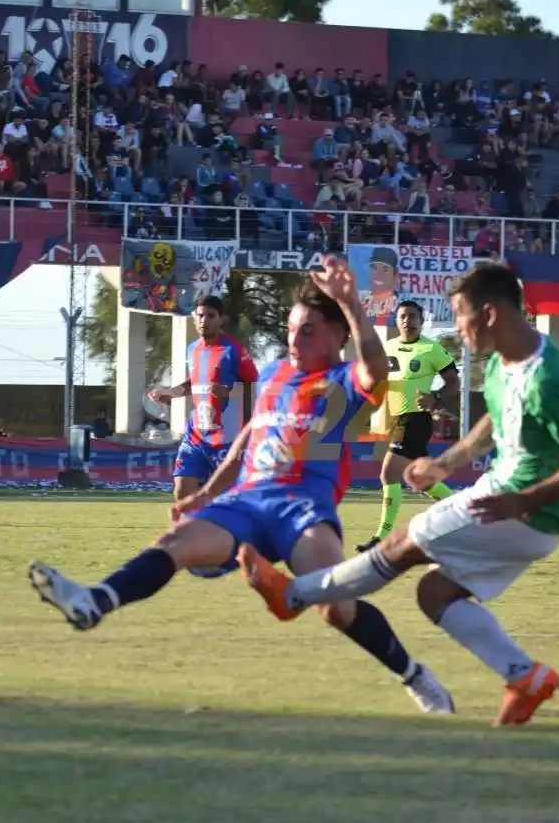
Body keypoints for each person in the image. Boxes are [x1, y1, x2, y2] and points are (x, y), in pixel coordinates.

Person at [29, 258, 455, 714]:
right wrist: (208, 492)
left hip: (303, 508)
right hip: (246, 502)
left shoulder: (343, 379)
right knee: (175, 542)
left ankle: (416, 677)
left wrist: (352, 303)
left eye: (308, 331)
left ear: (337, 337)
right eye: (291, 328)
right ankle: (95, 600)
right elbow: (248, 439)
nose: (294, 339)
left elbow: (374, 367)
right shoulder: (275, 374)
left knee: (336, 606)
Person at [239, 262, 559, 727]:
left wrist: (523, 501)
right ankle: (524, 676)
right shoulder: (502, 361)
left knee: (401, 544)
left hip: (521, 511)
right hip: (509, 502)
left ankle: (294, 594)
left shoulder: (549, 378)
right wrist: (446, 463)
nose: (456, 328)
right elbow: (493, 422)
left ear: (490, 313)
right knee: (435, 594)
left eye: (459, 315)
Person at [145, 295, 259, 578]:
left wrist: (249, 426)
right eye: (199, 315)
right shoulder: (192, 349)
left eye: (209, 315)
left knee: (226, 500)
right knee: (181, 490)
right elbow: (193, 382)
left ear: (221, 320)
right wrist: (171, 393)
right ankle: (188, 548)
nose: (203, 320)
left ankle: (227, 551)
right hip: (197, 433)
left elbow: (252, 384)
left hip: (227, 437)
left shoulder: (234, 350)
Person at [358, 299, 460, 552]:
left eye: (413, 316)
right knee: (419, 478)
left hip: (415, 418)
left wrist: (435, 397)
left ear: (421, 320)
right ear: (397, 320)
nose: (408, 320)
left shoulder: (431, 349)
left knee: (388, 474)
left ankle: (382, 537)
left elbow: (453, 383)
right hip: (396, 419)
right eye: (403, 316)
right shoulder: (388, 347)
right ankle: (462, 515)